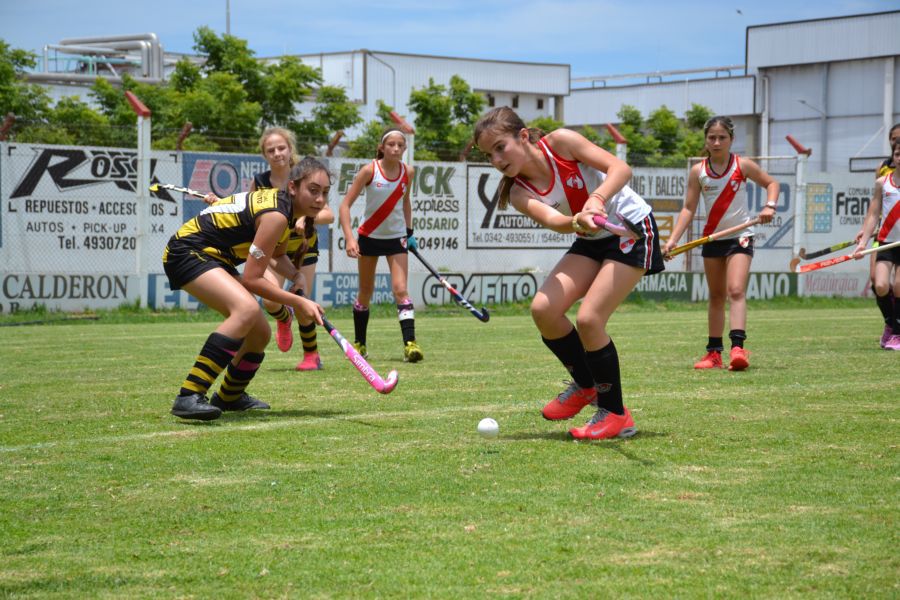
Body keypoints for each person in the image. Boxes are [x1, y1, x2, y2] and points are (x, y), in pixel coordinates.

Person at [474, 107, 663, 441]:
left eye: (500, 147)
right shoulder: (517, 191)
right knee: (544, 310)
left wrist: (598, 198)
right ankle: (587, 385)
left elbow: (620, 168)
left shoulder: (561, 142)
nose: (496, 160)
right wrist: (578, 220)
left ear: (522, 136)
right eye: (489, 155)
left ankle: (616, 413)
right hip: (589, 237)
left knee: (590, 320)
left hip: (630, 230)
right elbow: (556, 222)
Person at [164, 158, 329, 420]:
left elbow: (277, 254)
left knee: (259, 333)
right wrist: (299, 302)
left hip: (215, 257)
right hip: (188, 252)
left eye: (325, 192)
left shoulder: (285, 211)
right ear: (294, 187)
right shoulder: (277, 214)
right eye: (313, 190)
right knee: (246, 309)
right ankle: (189, 395)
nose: (320, 199)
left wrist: (296, 274)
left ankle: (230, 396)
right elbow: (253, 279)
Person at [662, 116, 778, 371]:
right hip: (712, 238)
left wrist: (769, 205)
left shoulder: (742, 165)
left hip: (740, 237)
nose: (716, 142)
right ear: (705, 140)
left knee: (735, 290)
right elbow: (688, 209)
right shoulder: (698, 171)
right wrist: (672, 240)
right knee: (715, 296)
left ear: (731, 140)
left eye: (722, 137)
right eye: (711, 137)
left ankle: (738, 348)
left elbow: (771, 183)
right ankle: (714, 353)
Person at [248, 127, 335, 371]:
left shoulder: (304, 176)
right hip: (275, 250)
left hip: (303, 250)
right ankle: (284, 318)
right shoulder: (260, 182)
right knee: (269, 299)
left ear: (290, 149)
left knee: (302, 300)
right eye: (270, 150)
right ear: (265, 155)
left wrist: (307, 218)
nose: (277, 153)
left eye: (281, 148)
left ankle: (312, 356)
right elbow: (250, 210)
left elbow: (329, 214)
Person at [338, 128, 423, 362]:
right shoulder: (369, 170)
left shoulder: (409, 172)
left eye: (400, 145)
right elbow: (344, 206)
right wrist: (350, 238)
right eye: (391, 144)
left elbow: (406, 203)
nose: (395, 149)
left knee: (400, 289)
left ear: (404, 149)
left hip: (396, 239)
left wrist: (409, 232)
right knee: (365, 291)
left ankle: (410, 345)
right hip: (370, 238)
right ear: (382, 147)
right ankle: (360, 344)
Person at [853, 140, 900, 351]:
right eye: (898, 154)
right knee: (881, 285)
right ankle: (891, 324)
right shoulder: (883, 183)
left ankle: (897, 334)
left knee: (899, 286)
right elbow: (873, 215)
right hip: (886, 242)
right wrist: (862, 245)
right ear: (894, 157)